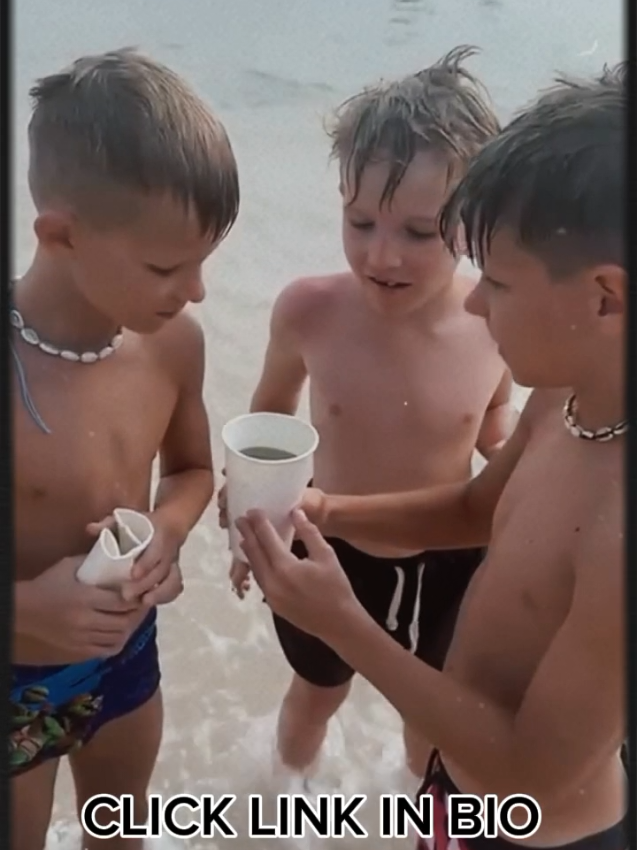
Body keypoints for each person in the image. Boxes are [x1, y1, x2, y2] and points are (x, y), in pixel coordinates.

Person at [237, 62, 627, 849]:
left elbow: (535, 775)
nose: (478, 301)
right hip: (462, 794)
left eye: (501, 282)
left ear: (604, 297)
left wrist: (344, 623)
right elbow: (480, 509)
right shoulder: (568, 398)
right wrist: (320, 508)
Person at [219, 46, 514, 780]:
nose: (381, 256)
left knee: (430, 715)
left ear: (473, 220)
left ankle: (420, 814)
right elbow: (268, 426)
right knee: (315, 694)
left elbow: (497, 431)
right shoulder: (309, 311)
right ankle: (281, 808)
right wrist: (248, 519)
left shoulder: (496, 323)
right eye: (359, 223)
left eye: (417, 233)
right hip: (323, 548)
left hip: (445, 557)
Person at [11, 48, 239, 850]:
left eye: (205, 261)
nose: (197, 289)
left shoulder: (172, 344)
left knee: (122, 828)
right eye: (168, 266)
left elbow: (189, 469)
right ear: (60, 234)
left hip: (125, 657)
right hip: (13, 678)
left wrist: (166, 535)